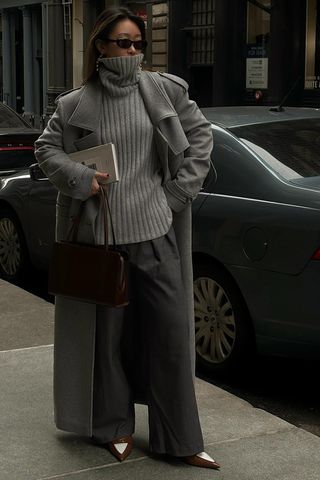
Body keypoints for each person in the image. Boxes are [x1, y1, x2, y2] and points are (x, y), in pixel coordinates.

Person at [35, 6, 219, 470]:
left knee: (170, 340)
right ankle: (113, 427)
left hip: (157, 232)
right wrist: (80, 177)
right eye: (123, 42)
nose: (133, 51)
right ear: (100, 46)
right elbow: (46, 149)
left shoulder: (165, 90)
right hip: (102, 239)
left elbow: (201, 138)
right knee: (107, 340)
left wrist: (177, 194)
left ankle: (179, 438)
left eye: (139, 42)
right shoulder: (74, 104)